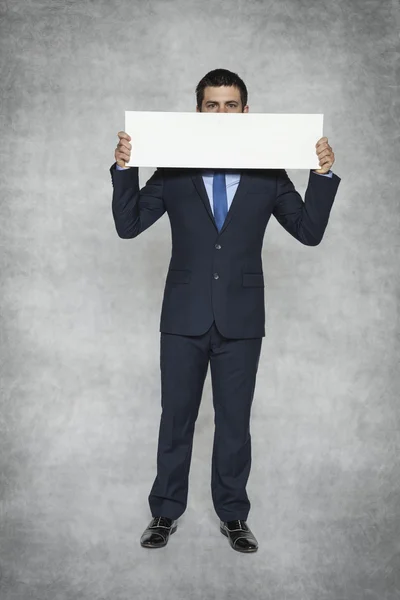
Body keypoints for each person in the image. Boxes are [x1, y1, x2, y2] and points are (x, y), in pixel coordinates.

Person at [109, 68, 340, 553]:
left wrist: (320, 176)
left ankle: (233, 516)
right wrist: (126, 169)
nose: (221, 113)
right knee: (177, 419)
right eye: (211, 105)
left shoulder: (269, 173)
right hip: (183, 317)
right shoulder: (173, 168)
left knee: (234, 422)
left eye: (230, 105)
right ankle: (164, 513)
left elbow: (308, 231)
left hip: (241, 317)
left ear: (246, 112)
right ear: (199, 112)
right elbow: (128, 226)